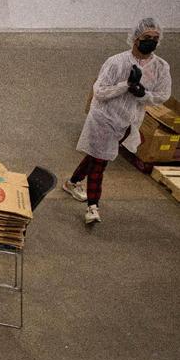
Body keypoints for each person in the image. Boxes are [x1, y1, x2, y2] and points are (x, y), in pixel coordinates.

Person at [63, 18, 171, 225]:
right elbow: (100, 91)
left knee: (96, 156)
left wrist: (143, 93)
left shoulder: (160, 67)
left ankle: (72, 182)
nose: (152, 42)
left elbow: (163, 94)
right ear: (135, 38)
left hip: (128, 123)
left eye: (155, 38)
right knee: (100, 163)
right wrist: (126, 85)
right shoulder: (116, 62)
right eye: (147, 38)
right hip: (104, 119)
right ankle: (93, 207)